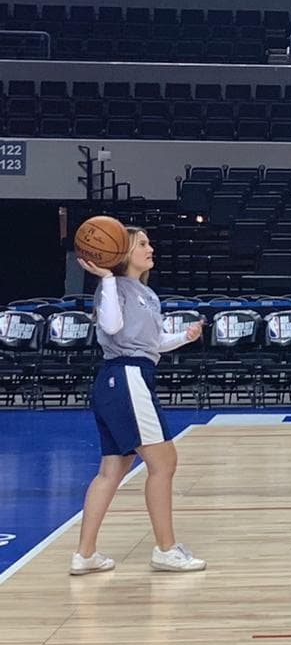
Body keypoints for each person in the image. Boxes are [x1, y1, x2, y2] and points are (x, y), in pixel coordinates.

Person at [72, 228, 206, 575]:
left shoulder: (146, 293)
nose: (150, 248)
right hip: (126, 377)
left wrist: (184, 336)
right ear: (122, 250)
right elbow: (111, 327)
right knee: (164, 463)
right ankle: (166, 549)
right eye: (142, 243)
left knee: (112, 470)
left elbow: (151, 343)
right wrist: (106, 278)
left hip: (125, 378)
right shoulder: (112, 287)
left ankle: (85, 555)